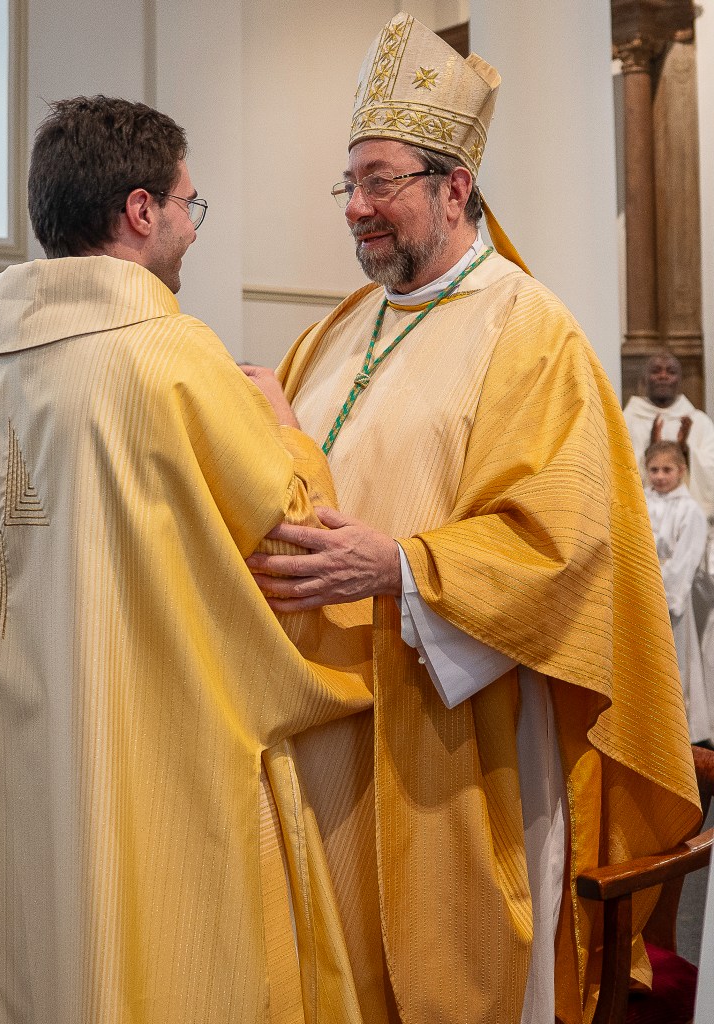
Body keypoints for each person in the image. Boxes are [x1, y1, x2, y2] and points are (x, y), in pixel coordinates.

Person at [0, 95, 373, 1024]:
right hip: (143, 750)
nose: (193, 228)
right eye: (189, 204)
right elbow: (294, 548)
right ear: (141, 211)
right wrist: (289, 434)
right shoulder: (172, 357)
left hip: (4, 751)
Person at [242, 14, 699, 1023]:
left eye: (379, 182)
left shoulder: (530, 331)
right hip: (327, 720)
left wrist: (401, 568)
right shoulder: (335, 330)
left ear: (455, 188)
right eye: (347, 184)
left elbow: (563, 546)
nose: (355, 208)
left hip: (460, 734)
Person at [644, 440, 711, 742]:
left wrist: (664, 592)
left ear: (682, 471)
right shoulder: (640, 502)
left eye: (666, 469)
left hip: (669, 598)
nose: (659, 476)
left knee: (675, 662)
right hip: (641, 591)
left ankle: (676, 731)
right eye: (654, 469)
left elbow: (686, 558)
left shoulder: (690, 510)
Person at [624, 351, 714, 516]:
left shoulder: (699, 422)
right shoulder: (626, 421)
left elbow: (710, 468)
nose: (663, 376)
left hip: (687, 517)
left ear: (680, 381)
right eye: (656, 371)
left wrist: (685, 452)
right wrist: (650, 450)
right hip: (642, 516)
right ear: (644, 379)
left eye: (671, 372)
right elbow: (617, 470)